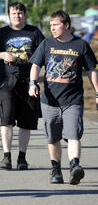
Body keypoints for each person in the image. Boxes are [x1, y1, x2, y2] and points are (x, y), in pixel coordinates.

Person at [28, 10, 98, 185]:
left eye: (55, 25)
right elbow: (36, 65)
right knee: (53, 138)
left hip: (73, 101)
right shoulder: (46, 44)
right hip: (50, 101)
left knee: (73, 135)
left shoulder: (81, 45)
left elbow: (92, 71)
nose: (52, 28)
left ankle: (75, 166)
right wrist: (33, 83)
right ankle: (56, 169)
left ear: (66, 25)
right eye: (50, 25)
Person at [0, 2, 45, 171]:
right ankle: (6, 157)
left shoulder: (34, 32)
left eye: (20, 13)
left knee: (26, 123)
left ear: (24, 15)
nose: (17, 16)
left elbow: (44, 54)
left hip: (28, 81)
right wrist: (2, 54)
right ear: (9, 15)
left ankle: (22, 157)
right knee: (6, 119)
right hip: (7, 81)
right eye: (13, 13)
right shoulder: (2, 33)